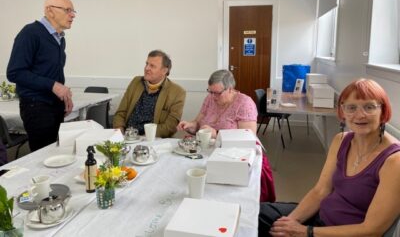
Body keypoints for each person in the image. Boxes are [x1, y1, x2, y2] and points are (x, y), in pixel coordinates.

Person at [258, 78, 400, 237]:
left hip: (344, 233)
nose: (360, 115)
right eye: (351, 108)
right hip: (321, 217)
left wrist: (307, 232)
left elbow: (372, 230)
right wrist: (289, 223)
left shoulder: (394, 161)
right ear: (342, 112)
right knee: (255, 215)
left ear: (383, 111)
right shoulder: (341, 140)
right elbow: (320, 191)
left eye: (369, 107)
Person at [177, 69, 275, 202]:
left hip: (234, 157)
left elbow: (247, 138)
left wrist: (216, 134)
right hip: (208, 153)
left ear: (230, 89)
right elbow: (198, 124)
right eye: (210, 91)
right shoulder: (210, 99)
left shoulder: (245, 103)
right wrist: (190, 125)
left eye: (217, 93)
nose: (212, 97)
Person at [7, 0, 75, 152]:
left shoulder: (59, 39)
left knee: (57, 155)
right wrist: (53, 86)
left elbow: (51, 74)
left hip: (54, 106)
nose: (72, 15)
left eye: (73, 11)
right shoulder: (30, 33)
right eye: (67, 10)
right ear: (50, 11)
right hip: (36, 106)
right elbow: (14, 72)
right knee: (44, 158)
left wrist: (64, 95)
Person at [113, 50, 186, 138]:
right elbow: (121, 112)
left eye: (152, 66)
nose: (147, 68)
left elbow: (170, 127)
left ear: (164, 71)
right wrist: (120, 133)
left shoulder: (177, 92)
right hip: (127, 137)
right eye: (146, 64)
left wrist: (144, 138)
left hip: (152, 140)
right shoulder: (136, 82)